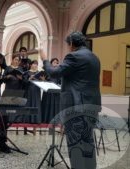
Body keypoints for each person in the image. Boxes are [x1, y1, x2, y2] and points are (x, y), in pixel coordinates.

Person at [40, 31, 101, 169]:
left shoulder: (74, 56)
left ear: (72, 43)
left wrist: (44, 59)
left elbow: (54, 72)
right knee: (87, 141)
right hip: (92, 106)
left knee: (75, 144)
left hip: (76, 106)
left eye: (68, 45)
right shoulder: (94, 57)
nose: (68, 47)